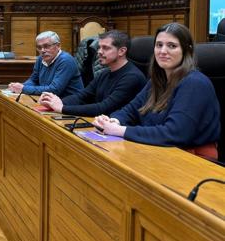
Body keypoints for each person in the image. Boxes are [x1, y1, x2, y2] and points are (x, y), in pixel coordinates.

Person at [94, 23, 220, 159]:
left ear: (187, 50)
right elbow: (131, 110)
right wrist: (113, 121)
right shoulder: (157, 80)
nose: (163, 51)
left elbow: (174, 133)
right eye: (159, 45)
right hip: (159, 151)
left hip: (192, 159)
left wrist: (120, 130)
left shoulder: (194, 83)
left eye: (172, 46)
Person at [39, 31, 147, 117]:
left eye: (105, 48)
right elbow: (83, 96)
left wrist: (62, 108)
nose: (99, 51)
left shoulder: (132, 77)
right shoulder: (105, 73)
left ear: (122, 51)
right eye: (99, 47)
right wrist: (53, 102)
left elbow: (104, 108)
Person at [8, 31, 83, 98]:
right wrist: (19, 86)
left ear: (58, 46)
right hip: (51, 101)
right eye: (39, 47)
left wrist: (23, 89)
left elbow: (54, 90)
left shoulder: (66, 60)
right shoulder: (41, 59)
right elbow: (33, 80)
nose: (42, 50)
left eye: (46, 46)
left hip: (70, 104)